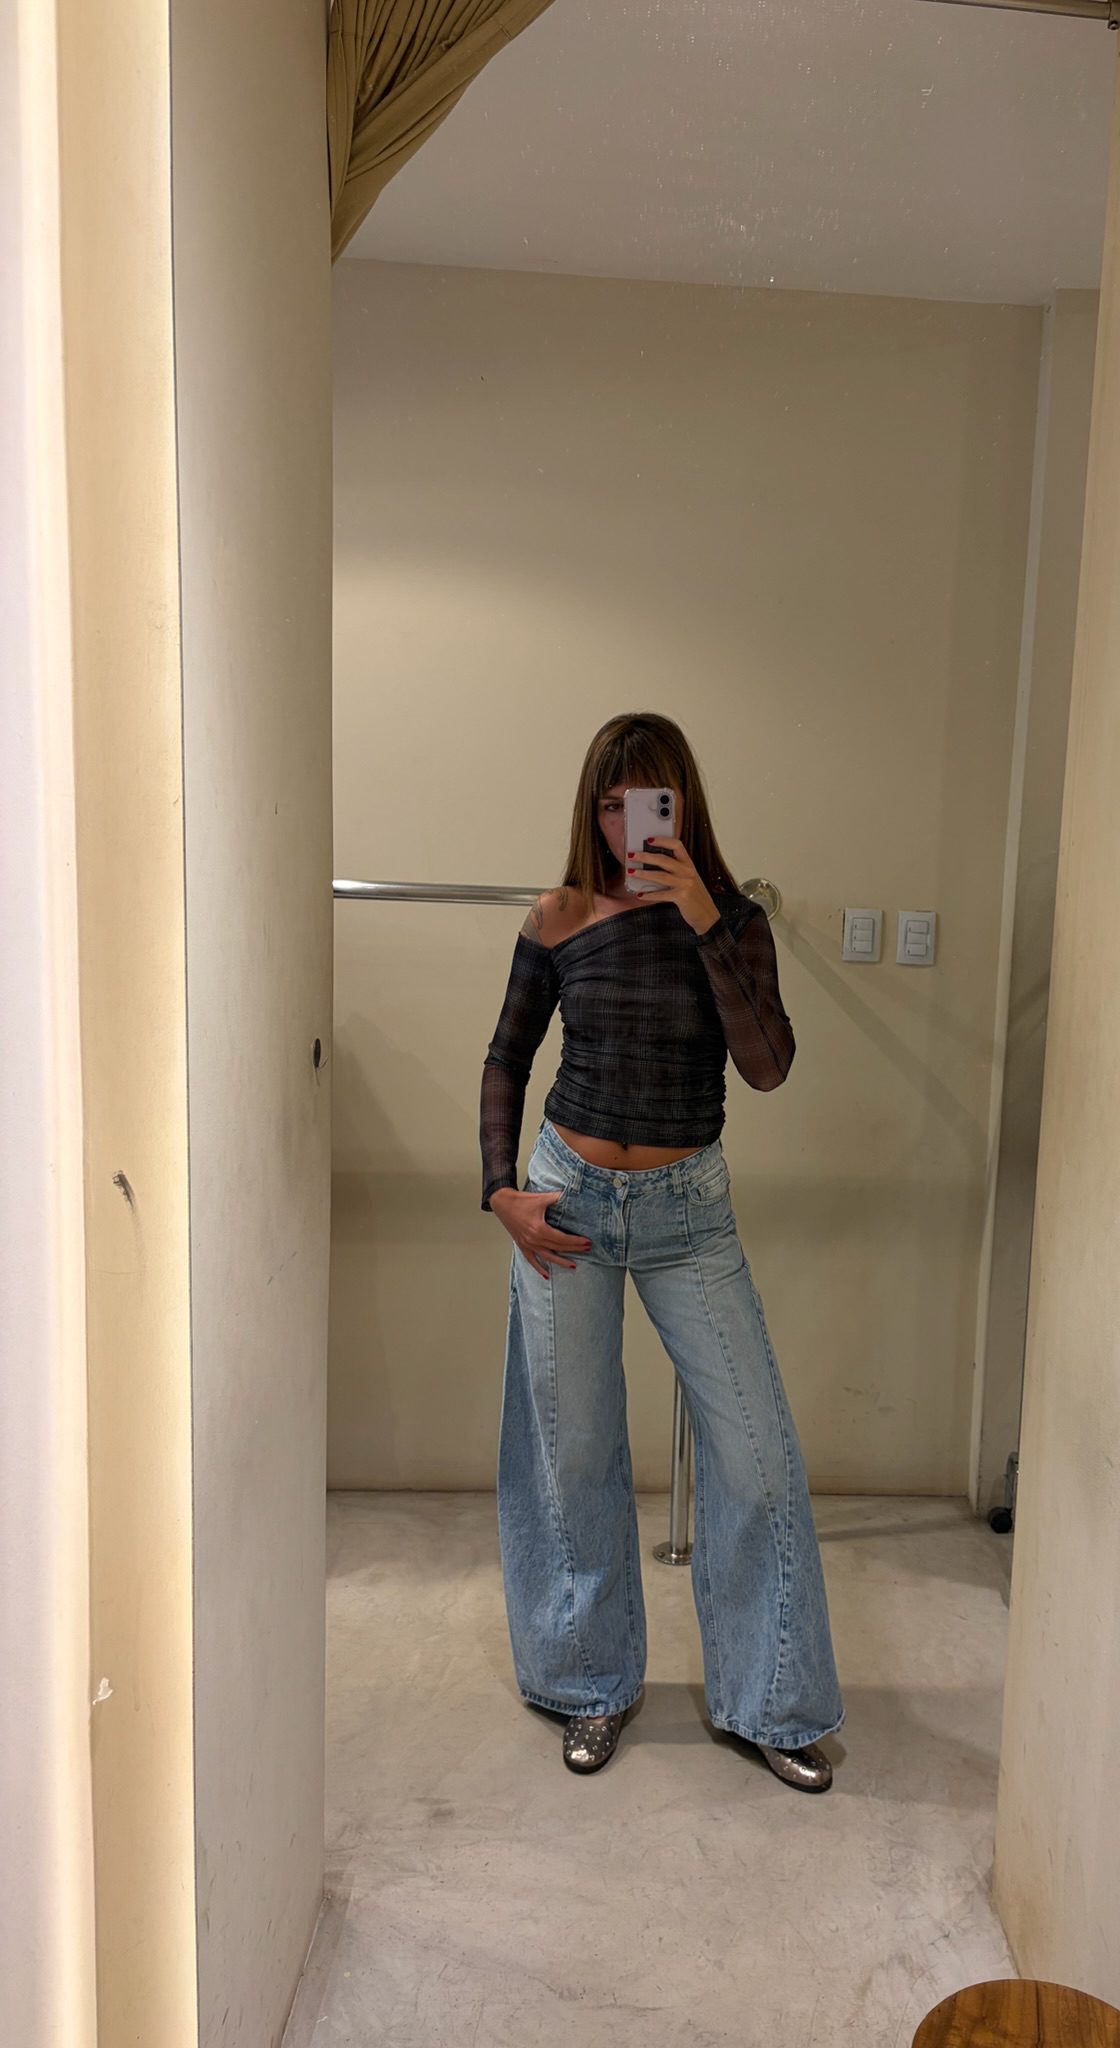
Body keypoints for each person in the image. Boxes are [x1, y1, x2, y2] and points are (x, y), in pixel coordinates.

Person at [480, 711, 844, 1790]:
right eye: (610, 803)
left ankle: (772, 1700)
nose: (626, 823)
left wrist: (704, 919)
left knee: (758, 1456)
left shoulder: (732, 919)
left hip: (691, 1216)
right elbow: (507, 1055)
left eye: (649, 801)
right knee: (574, 1450)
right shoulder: (558, 915)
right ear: (590, 810)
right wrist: (500, 1190)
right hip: (568, 1204)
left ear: (683, 806)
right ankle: (587, 1683)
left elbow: (768, 1064)